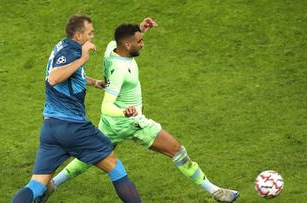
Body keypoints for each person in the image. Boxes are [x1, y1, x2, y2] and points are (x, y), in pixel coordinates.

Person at [39, 18, 240, 203]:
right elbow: (107, 106)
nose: (142, 43)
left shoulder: (112, 48)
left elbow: (121, 39)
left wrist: (140, 29)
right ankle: (215, 191)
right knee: (177, 151)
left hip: (111, 125)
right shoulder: (120, 71)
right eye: (140, 41)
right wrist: (126, 113)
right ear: (128, 45)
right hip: (130, 122)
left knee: (92, 155)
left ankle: (52, 185)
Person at [11, 14, 142, 203]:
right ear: (78, 35)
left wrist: (92, 82)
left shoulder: (62, 46)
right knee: (115, 167)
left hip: (51, 128)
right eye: (90, 33)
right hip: (73, 127)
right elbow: (54, 78)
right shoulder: (74, 53)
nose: (92, 37)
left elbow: (69, 73)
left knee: (37, 185)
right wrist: (84, 57)